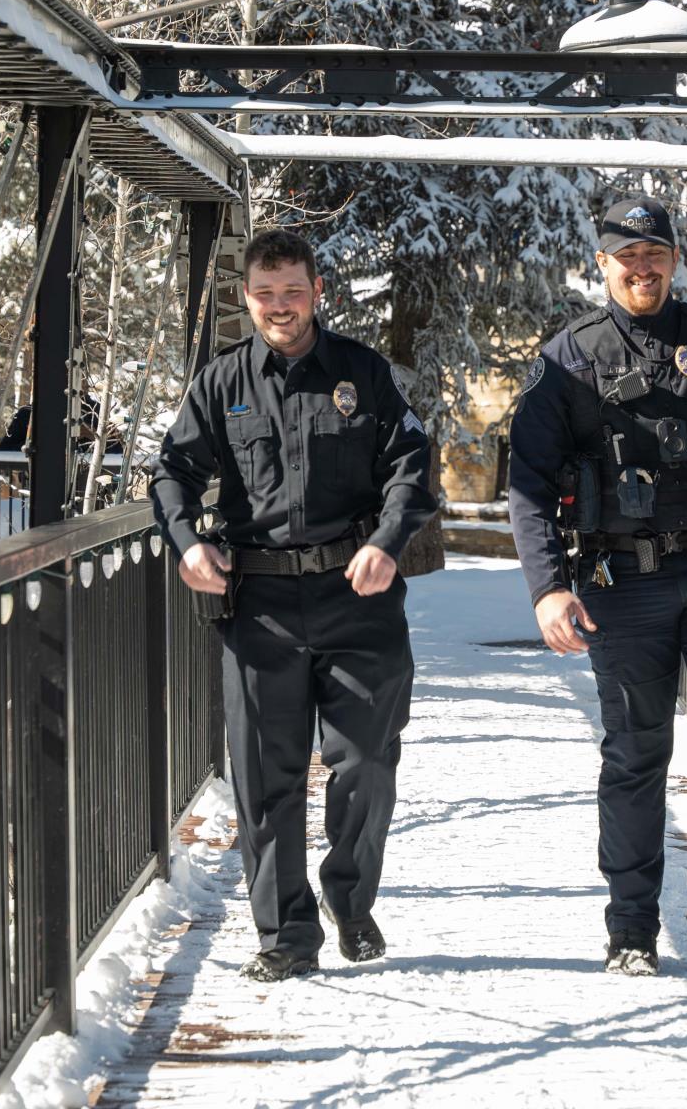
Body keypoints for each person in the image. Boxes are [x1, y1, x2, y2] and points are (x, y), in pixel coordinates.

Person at [507, 196, 687, 977]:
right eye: (625, 255)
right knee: (635, 754)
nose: (642, 267)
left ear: (674, 260)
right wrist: (547, 587)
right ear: (602, 264)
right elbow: (529, 483)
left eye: (655, 253)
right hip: (619, 578)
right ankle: (632, 925)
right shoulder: (567, 358)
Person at [151, 226, 435, 983]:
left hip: (358, 594)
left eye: (293, 292)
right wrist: (186, 543)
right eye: (265, 295)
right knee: (266, 777)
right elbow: (172, 471)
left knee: (366, 763)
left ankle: (350, 896)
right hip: (260, 605)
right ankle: (285, 936)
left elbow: (412, 468)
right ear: (247, 299)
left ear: (317, 293)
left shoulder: (362, 375)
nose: (280, 307)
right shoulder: (222, 383)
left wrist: (387, 539)